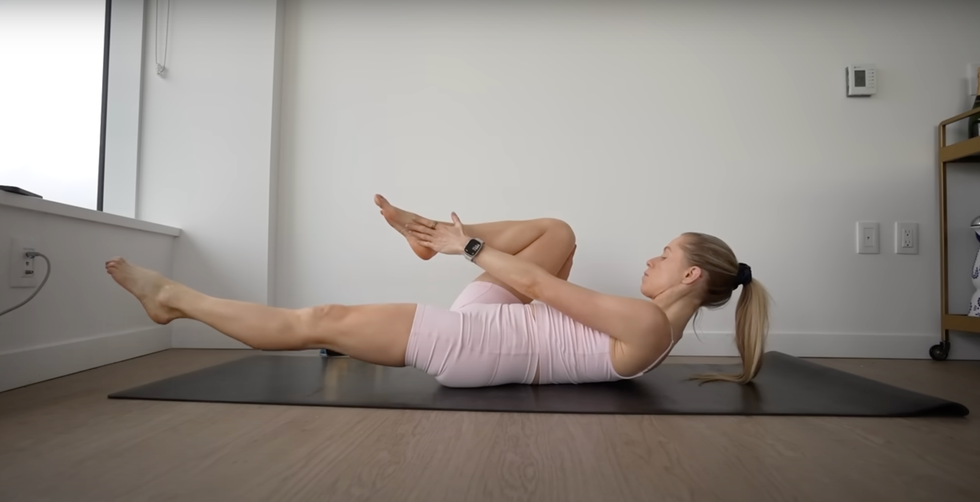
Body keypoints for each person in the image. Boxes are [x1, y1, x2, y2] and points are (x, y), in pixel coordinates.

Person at [105, 194, 771, 387]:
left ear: (691, 275)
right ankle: (427, 234)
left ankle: (174, 301)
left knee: (320, 318)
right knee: (560, 232)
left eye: (665, 255)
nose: (651, 259)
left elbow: (536, 284)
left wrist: (470, 248)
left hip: (478, 348)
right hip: (500, 321)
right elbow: (539, 278)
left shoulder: (649, 324)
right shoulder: (653, 323)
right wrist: (455, 241)